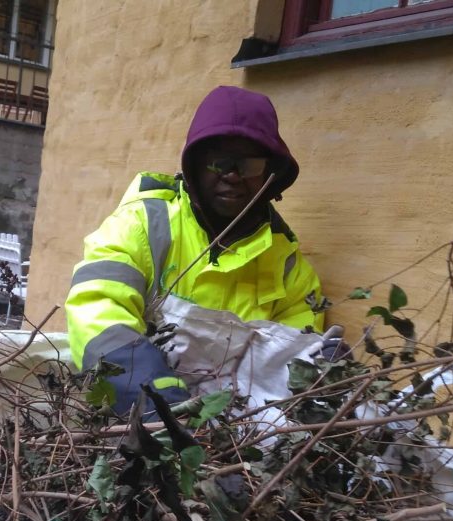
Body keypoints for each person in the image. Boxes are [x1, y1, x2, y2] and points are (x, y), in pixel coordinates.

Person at [65, 85, 325, 416]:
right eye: (220, 163)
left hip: (239, 429)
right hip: (133, 415)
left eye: (248, 165)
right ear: (195, 166)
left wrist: (323, 364)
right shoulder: (144, 224)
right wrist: (152, 391)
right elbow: (96, 308)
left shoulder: (286, 263)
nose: (232, 176)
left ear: (269, 176)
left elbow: (298, 356)